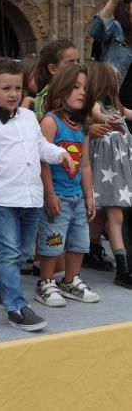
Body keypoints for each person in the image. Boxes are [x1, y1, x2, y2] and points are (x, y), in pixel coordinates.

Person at [0, 57, 75, 332]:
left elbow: (41, 146)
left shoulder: (28, 117)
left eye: (17, 88)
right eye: (6, 88)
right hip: (2, 199)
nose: (14, 94)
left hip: (31, 198)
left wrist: (60, 153)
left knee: (25, 251)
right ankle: (15, 307)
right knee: (9, 254)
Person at [35, 64, 99, 307]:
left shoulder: (82, 126)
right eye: (75, 87)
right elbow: (43, 162)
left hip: (76, 197)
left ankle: (70, 280)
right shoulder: (50, 122)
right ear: (61, 90)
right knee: (52, 241)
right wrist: (49, 193)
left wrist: (89, 196)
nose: (81, 92)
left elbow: (84, 165)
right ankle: (46, 282)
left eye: (85, 88)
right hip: (57, 195)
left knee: (79, 242)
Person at [87, 62, 132, 288]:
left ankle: (91, 249)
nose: (119, 80)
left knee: (102, 215)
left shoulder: (117, 105)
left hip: (118, 169)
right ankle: (123, 269)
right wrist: (109, 121)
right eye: (116, 77)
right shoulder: (96, 106)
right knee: (116, 216)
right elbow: (95, 114)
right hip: (107, 170)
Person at [34, 39, 79, 120]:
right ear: (53, 69)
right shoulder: (51, 96)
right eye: (70, 62)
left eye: (77, 61)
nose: (77, 66)